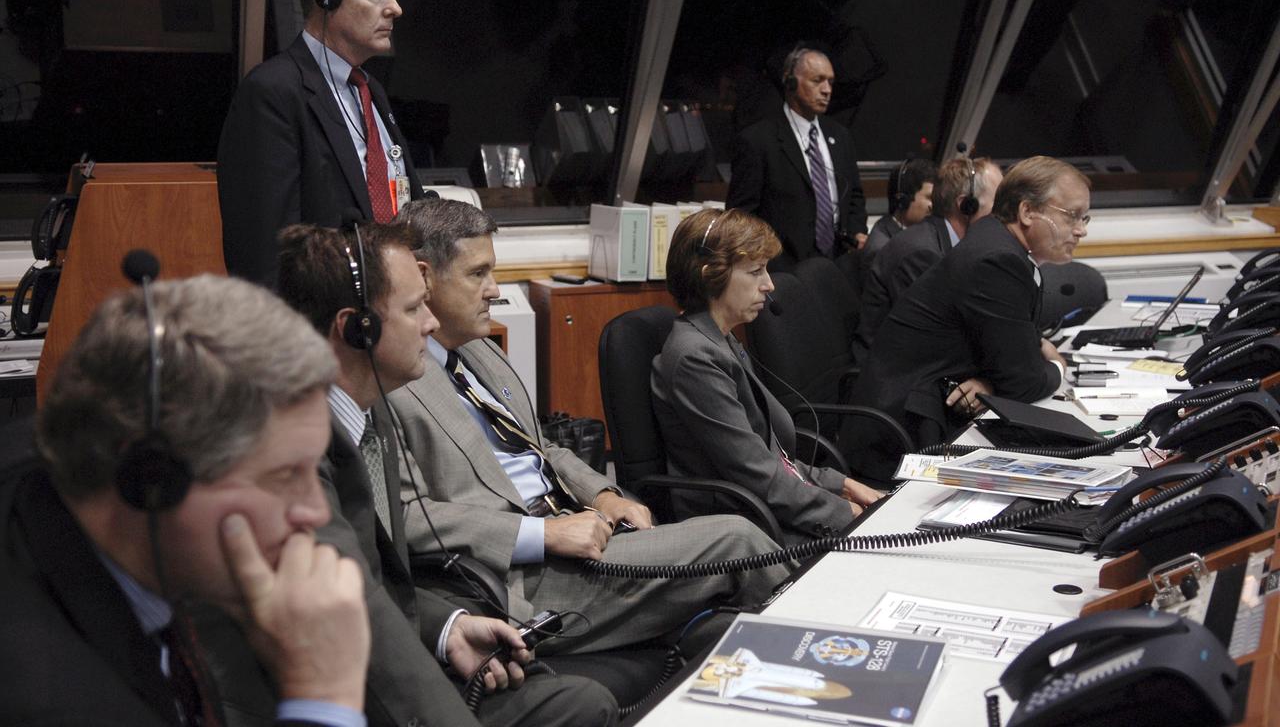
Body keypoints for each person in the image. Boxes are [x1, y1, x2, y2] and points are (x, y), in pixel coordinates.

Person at [388, 199, 788, 654]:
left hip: (580, 531)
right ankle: (833, 658)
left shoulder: (481, 352)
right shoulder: (392, 382)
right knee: (736, 540)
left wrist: (604, 494)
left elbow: (541, 449)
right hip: (521, 578)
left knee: (733, 562)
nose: (495, 290)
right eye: (478, 274)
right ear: (424, 277)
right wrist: (544, 535)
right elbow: (404, 516)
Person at [276, 223, 616, 727]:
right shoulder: (293, 456)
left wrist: (448, 628)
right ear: (356, 329)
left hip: (410, 638)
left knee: (582, 701)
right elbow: (340, 620)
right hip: (348, 689)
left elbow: (378, 589)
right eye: (414, 309)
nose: (432, 324)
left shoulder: (370, 419)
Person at [1, 274, 371, 726]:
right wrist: (323, 695)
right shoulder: (48, 697)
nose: (315, 511)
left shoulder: (44, 467)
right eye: (284, 475)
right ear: (151, 478)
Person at [650, 208, 884, 546]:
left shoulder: (720, 337)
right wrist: (845, 515)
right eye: (756, 271)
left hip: (767, 507)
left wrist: (841, 485)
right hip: (745, 526)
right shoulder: (694, 357)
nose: (769, 284)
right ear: (710, 276)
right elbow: (758, 475)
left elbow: (772, 460)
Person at [849, 156, 1088, 480]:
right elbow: (1025, 378)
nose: (1081, 230)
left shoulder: (997, 240)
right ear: (1027, 212)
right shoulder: (998, 259)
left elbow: (1015, 354)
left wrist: (993, 381)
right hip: (903, 433)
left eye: (1085, 217)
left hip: (934, 408)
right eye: (1072, 216)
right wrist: (1058, 366)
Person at [217, 0, 426, 287]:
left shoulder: (369, 88)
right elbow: (264, 251)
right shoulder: (274, 91)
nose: (396, 8)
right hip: (322, 323)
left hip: (390, 309)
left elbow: (399, 194)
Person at [726, 46, 868, 270]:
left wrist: (857, 231)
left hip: (837, 266)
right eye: (817, 80)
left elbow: (855, 196)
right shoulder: (758, 140)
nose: (826, 90)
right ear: (790, 83)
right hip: (783, 271)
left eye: (830, 82)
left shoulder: (840, 136)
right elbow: (741, 218)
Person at [854, 156, 1003, 359]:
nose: (1002, 215)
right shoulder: (923, 254)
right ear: (966, 206)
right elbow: (939, 336)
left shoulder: (941, 240)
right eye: (997, 204)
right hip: (894, 372)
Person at [863, 158, 937, 256]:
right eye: (930, 198)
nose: (935, 205)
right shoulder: (882, 249)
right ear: (903, 200)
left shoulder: (925, 233)